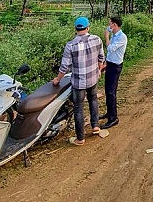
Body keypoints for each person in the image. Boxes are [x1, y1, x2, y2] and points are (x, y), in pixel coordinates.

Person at [53, 16, 105, 146]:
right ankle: (95, 126)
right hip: (92, 78)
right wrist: (99, 71)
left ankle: (80, 138)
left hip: (79, 82)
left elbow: (64, 67)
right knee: (93, 100)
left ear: (75, 29)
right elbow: (101, 57)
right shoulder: (97, 39)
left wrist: (57, 80)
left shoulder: (70, 45)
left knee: (78, 108)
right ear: (88, 27)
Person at [100, 16, 127, 130]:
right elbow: (109, 53)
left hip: (115, 66)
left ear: (114, 25)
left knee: (111, 91)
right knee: (108, 90)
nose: (108, 26)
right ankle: (109, 112)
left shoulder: (121, 37)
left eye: (110, 24)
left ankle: (113, 118)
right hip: (110, 64)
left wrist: (106, 36)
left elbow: (110, 48)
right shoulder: (115, 36)